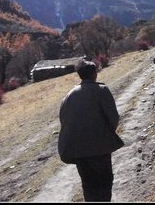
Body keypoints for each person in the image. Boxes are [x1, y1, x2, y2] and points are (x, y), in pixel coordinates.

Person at [58, 59, 125, 202]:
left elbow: (63, 120)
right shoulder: (101, 90)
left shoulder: (68, 96)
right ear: (94, 73)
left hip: (78, 151)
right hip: (100, 149)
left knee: (88, 186)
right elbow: (113, 117)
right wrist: (105, 135)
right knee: (104, 183)